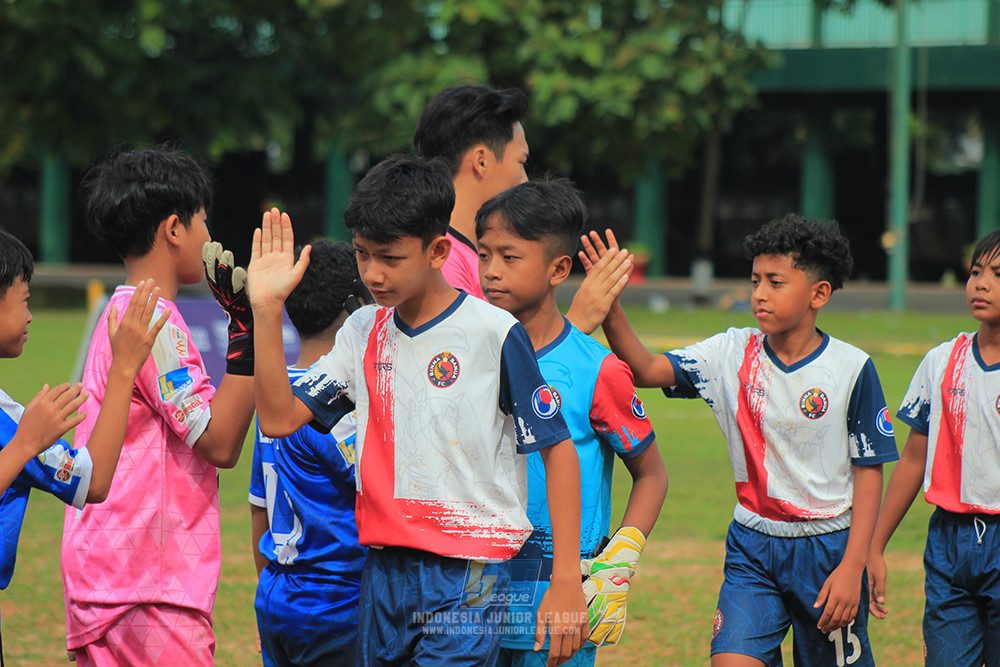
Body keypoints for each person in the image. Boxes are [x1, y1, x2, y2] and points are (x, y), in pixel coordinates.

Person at [247, 154, 589, 667]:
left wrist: (566, 579)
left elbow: (557, 451)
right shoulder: (362, 332)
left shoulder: (493, 333)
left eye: (389, 257)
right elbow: (277, 420)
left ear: (438, 251)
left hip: (470, 573)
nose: (373, 274)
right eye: (363, 255)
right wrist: (267, 311)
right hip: (383, 570)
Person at [578, 214, 898, 666]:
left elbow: (869, 473)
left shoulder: (852, 369)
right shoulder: (729, 352)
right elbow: (647, 369)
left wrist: (853, 565)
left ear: (818, 294)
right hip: (753, 545)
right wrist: (608, 303)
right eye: (754, 281)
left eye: (775, 282)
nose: (760, 293)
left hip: (828, 549)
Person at [61, 146, 257, 666]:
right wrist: (248, 333)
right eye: (202, 222)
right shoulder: (154, 319)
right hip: (145, 584)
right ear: (174, 228)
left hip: (112, 575)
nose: (208, 236)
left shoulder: (124, 306)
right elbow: (218, 443)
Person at [474, 178, 668, 667]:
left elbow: (651, 474)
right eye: (483, 255)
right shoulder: (466, 358)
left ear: (559, 268)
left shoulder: (596, 369)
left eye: (510, 257)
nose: (491, 272)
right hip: (470, 602)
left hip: (557, 608)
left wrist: (619, 560)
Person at [0, 232, 167, 639]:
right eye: (24, 299)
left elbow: (90, 480)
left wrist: (123, 370)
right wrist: (23, 445)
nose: (31, 315)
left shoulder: (9, 418)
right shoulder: (17, 433)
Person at [868, 229, 1000, 666]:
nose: (981, 284)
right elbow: (912, 459)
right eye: (976, 272)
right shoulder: (941, 361)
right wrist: (875, 544)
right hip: (949, 541)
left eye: (997, 274)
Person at [249, 238, 371, 666]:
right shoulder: (333, 406)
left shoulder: (274, 403)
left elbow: (258, 510)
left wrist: (268, 592)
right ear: (357, 310)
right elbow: (378, 487)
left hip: (278, 594)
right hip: (337, 601)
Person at [413, 84, 530, 300]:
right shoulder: (442, 261)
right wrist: (581, 318)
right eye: (521, 162)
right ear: (481, 161)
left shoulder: (459, 252)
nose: (525, 180)